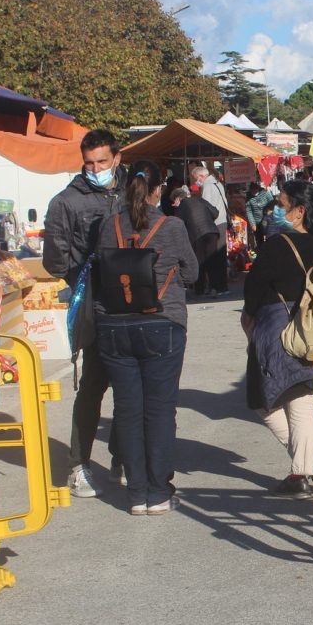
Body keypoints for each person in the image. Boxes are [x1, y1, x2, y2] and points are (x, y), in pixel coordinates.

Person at [94, 160, 199, 515]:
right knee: (160, 409)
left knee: (127, 408)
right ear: (158, 190)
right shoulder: (172, 226)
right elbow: (192, 272)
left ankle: (136, 493)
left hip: (114, 326)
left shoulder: (108, 226)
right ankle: (158, 492)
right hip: (162, 323)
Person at [241, 180, 313, 499]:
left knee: (269, 399)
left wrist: (249, 317)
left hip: (277, 329)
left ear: (299, 211)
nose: (275, 210)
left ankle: (301, 473)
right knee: (298, 398)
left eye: (281, 205)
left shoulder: (277, 245)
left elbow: (253, 288)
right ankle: (308, 463)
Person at [43, 128, 124, 498]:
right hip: (93, 304)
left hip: (131, 304)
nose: (96, 169)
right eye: (89, 163)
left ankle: (123, 456)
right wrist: (81, 279)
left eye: (102, 162)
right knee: (93, 384)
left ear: (116, 159)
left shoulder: (130, 192)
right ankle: (79, 465)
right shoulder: (66, 201)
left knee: (130, 385)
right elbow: (54, 259)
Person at [190, 165, 229, 296]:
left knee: (214, 257)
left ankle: (217, 286)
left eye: (196, 178)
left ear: (202, 176)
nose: (196, 182)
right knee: (221, 255)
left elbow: (205, 208)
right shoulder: (218, 183)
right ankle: (223, 286)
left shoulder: (207, 186)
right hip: (222, 221)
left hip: (215, 224)